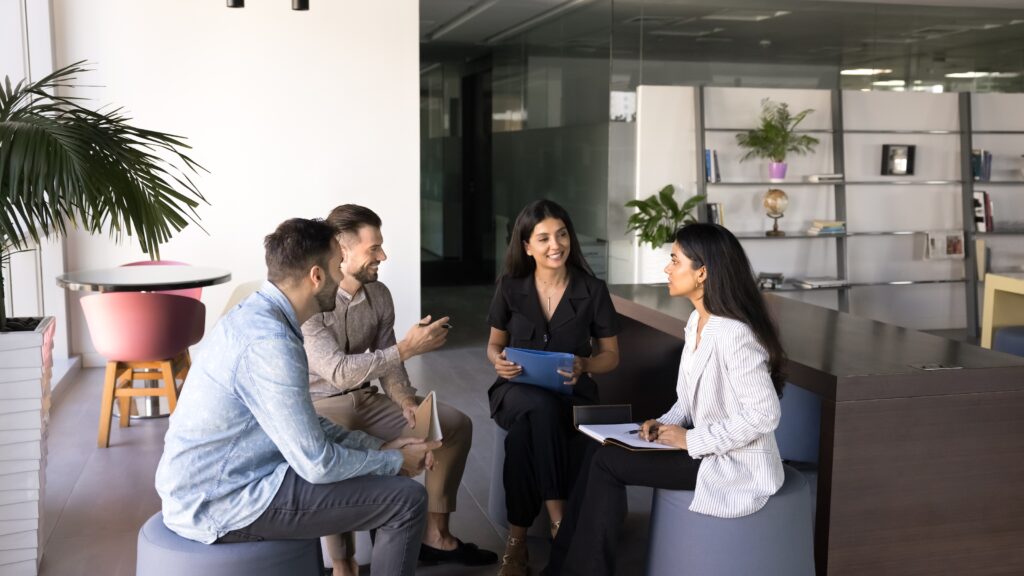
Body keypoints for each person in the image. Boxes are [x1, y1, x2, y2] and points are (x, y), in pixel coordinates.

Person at [155, 218, 439, 576]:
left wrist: (379, 449)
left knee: (385, 475)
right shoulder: (271, 344)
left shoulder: (253, 315)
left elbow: (305, 423)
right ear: (317, 277)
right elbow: (317, 464)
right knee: (408, 500)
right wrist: (394, 462)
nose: (342, 280)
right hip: (222, 502)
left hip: (220, 481)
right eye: (338, 269)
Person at [544, 222, 787, 576]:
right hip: (707, 449)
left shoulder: (734, 335)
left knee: (607, 463)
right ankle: (562, 566)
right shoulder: (697, 322)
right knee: (599, 450)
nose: (667, 269)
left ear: (701, 272)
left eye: (675, 260)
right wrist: (665, 424)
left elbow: (765, 415)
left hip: (733, 462)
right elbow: (687, 403)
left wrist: (690, 439)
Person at [302, 204, 497, 572]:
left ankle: (435, 536)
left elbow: (390, 366)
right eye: (373, 248)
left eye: (381, 246)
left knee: (454, 426)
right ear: (341, 253)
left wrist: (406, 399)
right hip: (320, 405)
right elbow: (340, 372)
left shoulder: (379, 295)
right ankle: (344, 563)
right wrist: (408, 346)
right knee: (335, 458)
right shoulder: (312, 301)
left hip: (366, 399)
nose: (383, 256)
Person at [486, 199, 621, 576]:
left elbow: (611, 356)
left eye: (561, 235)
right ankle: (559, 519)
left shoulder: (592, 290)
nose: (555, 245)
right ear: (526, 246)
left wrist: (586, 364)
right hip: (514, 391)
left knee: (525, 433)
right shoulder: (511, 288)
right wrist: (498, 360)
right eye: (543, 238)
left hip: (573, 396)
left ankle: (517, 541)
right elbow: (493, 345)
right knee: (536, 408)